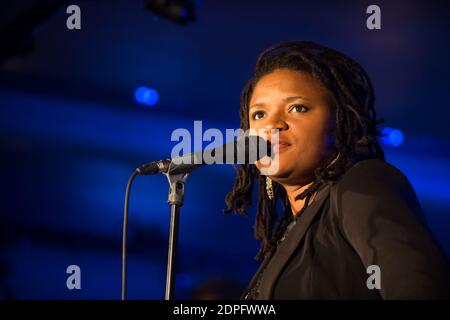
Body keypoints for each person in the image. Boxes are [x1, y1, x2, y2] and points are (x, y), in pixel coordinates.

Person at [224, 41, 450, 299]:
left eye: (298, 108)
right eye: (259, 114)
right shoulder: (294, 230)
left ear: (340, 121)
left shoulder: (363, 183)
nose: (271, 124)